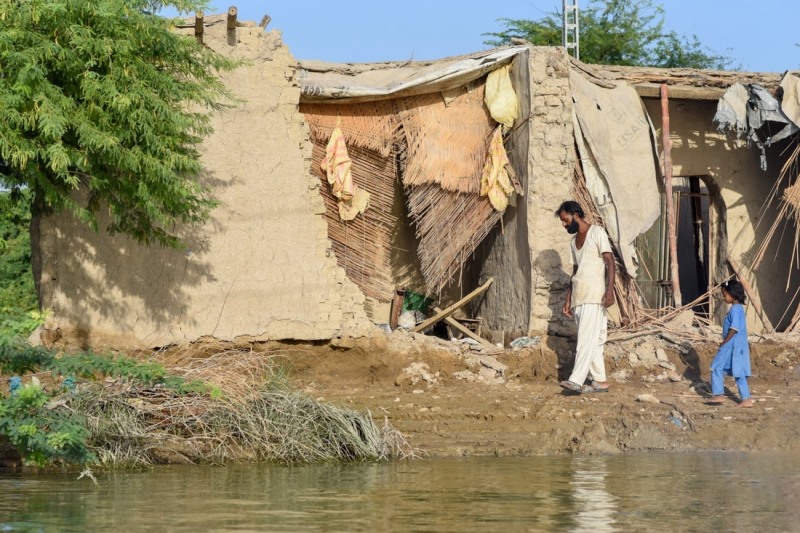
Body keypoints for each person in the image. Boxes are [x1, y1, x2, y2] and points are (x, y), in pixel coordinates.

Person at [555, 200, 616, 394]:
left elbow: (610, 262)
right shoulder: (573, 242)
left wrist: (609, 290)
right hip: (579, 297)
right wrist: (568, 300)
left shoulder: (597, 233)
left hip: (594, 296)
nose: (564, 225)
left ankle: (576, 380)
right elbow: (575, 272)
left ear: (576, 214)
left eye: (566, 220)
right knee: (595, 341)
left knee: (585, 340)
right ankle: (600, 381)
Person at [708, 279, 753, 408]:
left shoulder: (736, 309)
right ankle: (746, 399)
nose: (724, 296)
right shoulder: (736, 309)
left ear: (732, 294)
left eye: (724, 294)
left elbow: (734, 328)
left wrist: (724, 342)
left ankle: (719, 394)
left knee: (716, 365)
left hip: (732, 344)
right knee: (737, 371)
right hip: (736, 345)